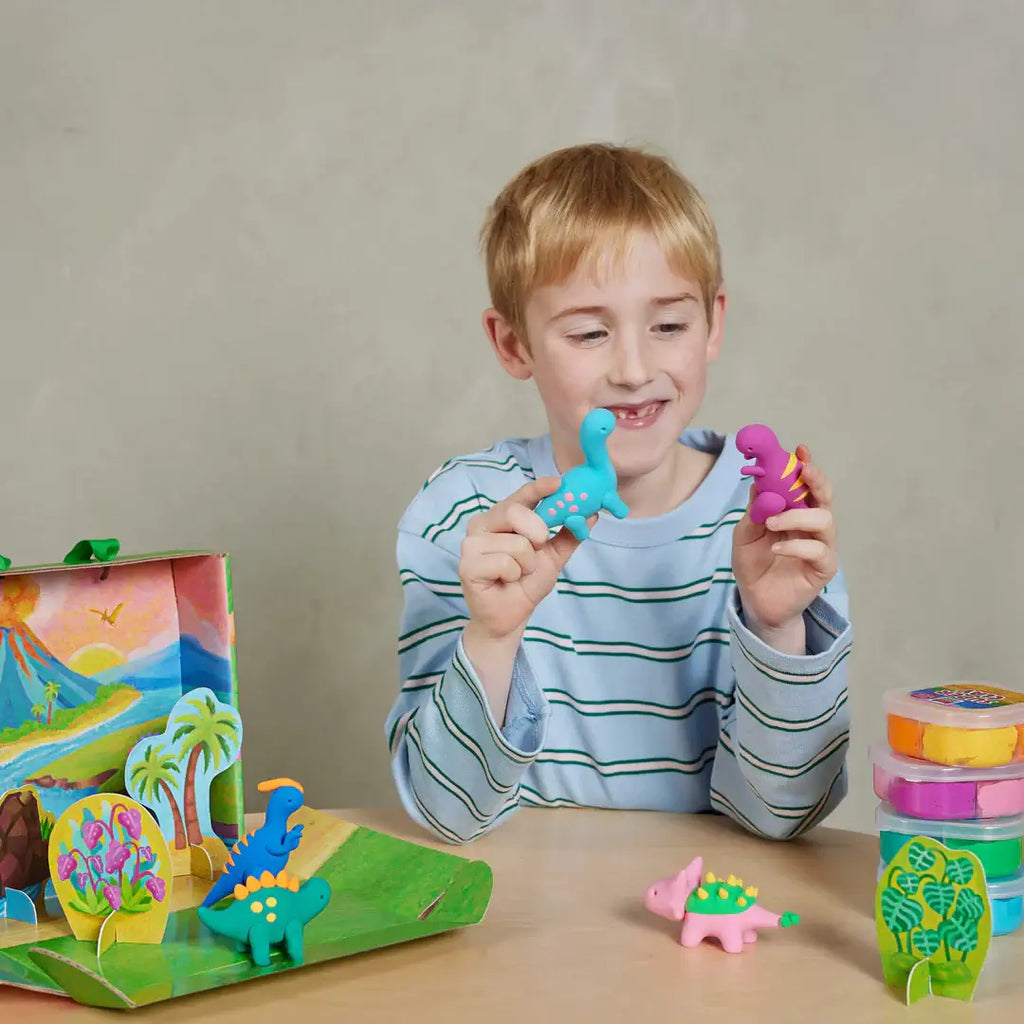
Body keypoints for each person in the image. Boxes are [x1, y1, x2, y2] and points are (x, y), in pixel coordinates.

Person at [385, 142, 852, 844]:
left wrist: (778, 627)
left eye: (668, 325)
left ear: (714, 323)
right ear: (513, 344)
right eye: (589, 332)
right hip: (528, 928)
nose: (635, 369)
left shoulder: (772, 525)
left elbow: (788, 815)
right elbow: (445, 812)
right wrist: (492, 637)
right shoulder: (466, 519)